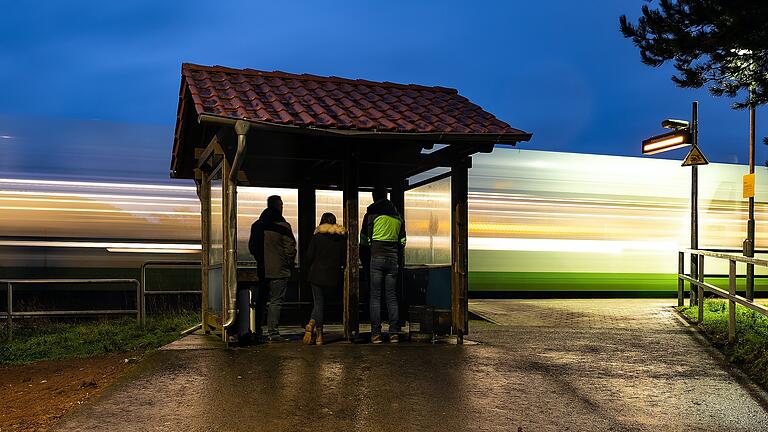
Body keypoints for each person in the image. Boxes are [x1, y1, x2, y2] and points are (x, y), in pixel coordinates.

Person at [360, 187, 406, 344]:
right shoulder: (398, 217)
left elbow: (364, 241)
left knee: (375, 297)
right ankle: (394, 333)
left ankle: (376, 334)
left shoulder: (371, 215)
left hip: (376, 258)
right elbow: (403, 242)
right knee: (391, 297)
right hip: (393, 259)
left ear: (374, 197)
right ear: (386, 196)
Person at [248, 195, 296, 343]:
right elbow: (290, 248)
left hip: (262, 269)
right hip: (279, 270)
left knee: (261, 301)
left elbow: (252, 247)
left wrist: (260, 260)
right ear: (278, 206)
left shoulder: (257, 225)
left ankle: (256, 331)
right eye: (281, 205)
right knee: (276, 301)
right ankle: (273, 333)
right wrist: (288, 263)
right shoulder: (283, 226)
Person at [302, 213, 346, 345]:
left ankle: (319, 334)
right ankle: (312, 323)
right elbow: (344, 258)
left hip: (316, 275)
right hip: (332, 276)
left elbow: (309, 257)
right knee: (321, 304)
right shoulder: (341, 239)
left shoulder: (317, 238)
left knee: (318, 304)